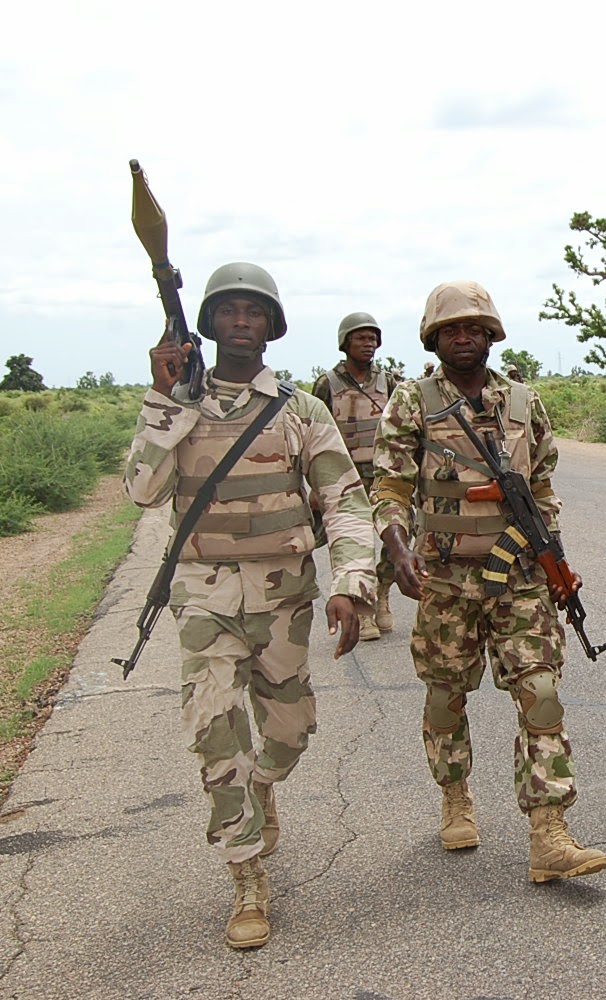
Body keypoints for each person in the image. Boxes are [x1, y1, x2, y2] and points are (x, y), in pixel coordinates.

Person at [124, 262, 377, 950]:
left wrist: (354, 580)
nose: (241, 320)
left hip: (283, 598)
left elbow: (346, 501)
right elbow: (143, 491)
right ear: (208, 323)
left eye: (254, 311)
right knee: (214, 731)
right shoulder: (178, 406)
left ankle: (264, 786)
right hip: (204, 598)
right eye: (228, 310)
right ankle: (245, 872)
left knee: (289, 733)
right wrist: (161, 397)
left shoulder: (300, 410)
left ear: (271, 325)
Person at [371, 280, 606, 882]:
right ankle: (455, 797)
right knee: (446, 698)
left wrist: (555, 557)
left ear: (491, 335)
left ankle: (548, 833)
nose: (463, 335)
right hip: (445, 580)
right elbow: (392, 488)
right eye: (451, 328)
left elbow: (544, 488)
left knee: (542, 694)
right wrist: (399, 549)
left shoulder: (525, 403)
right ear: (434, 337)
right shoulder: (411, 402)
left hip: (521, 578)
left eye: (474, 327)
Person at [311, 312, 401, 641]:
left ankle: (382, 591)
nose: (369, 344)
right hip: (341, 478)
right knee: (355, 544)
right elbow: (312, 434)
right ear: (345, 342)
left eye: (373, 338)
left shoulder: (388, 381)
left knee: (399, 535)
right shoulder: (327, 384)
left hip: (382, 473)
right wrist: (312, 486)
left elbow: (403, 429)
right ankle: (363, 612)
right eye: (361, 338)